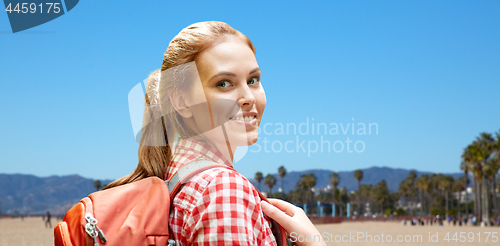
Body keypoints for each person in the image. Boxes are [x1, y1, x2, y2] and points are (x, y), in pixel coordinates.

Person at [104, 21, 324, 246]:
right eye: (224, 83)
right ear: (182, 102)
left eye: (253, 80)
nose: (248, 97)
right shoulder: (223, 189)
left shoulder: (169, 175)